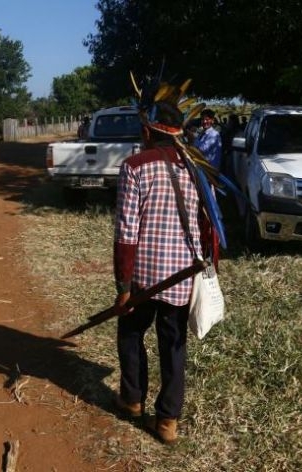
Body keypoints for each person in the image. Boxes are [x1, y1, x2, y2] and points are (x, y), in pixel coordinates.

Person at [112, 76, 215, 445]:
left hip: (144, 277)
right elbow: (209, 226)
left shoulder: (135, 166)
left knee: (130, 332)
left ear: (147, 127)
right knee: (173, 346)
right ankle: (167, 421)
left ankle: (133, 399)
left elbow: (127, 233)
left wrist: (123, 286)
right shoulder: (197, 168)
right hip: (183, 274)